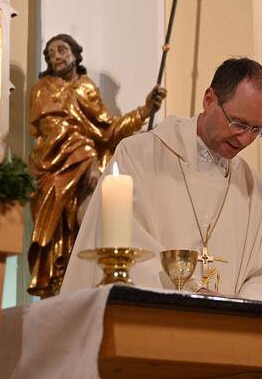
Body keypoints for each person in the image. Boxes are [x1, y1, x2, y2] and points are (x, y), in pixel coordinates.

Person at [61, 56, 262, 299]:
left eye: (257, 130)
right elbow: (124, 245)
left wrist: (236, 309)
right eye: (239, 123)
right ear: (209, 100)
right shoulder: (139, 156)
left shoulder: (250, 183)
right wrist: (195, 294)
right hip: (155, 315)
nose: (245, 139)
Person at [27, 33, 165, 297]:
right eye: (50, 53)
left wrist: (145, 111)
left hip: (86, 173)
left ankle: (90, 283)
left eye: (62, 50)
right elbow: (51, 128)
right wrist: (87, 155)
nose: (56, 56)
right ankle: (59, 287)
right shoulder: (41, 89)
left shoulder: (87, 88)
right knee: (57, 241)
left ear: (75, 54)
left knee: (92, 222)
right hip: (55, 169)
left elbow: (108, 132)